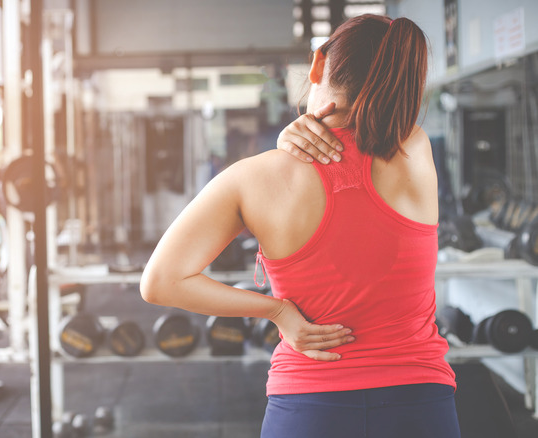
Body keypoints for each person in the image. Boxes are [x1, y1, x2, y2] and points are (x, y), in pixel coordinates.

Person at [140, 14, 460, 438]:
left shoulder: (252, 178)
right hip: (419, 404)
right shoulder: (413, 150)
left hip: (309, 405)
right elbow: (368, 137)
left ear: (316, 66)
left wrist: (276, 311)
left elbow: (161, 282)